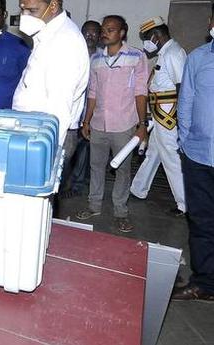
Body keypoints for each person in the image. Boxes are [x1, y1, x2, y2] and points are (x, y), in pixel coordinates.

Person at [77, 15, 149, 232]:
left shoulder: (136, 56)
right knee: (96, 167)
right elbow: (92, 92)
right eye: (103, 29)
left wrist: (142, 124)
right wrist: (86, 121)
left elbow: (140, 92)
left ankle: (120, 212)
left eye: (110, 29)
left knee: (123, 171)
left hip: (124, 124)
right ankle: (94, 205)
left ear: (122, 33)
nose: (104, 33)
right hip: (99, 123)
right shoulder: (96, 59)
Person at [171, 4, 214, 301]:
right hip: (199, 156)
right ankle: (206, 283)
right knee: (201, 222)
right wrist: (185, 142)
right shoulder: (198, 58)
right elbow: (185, 102)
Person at [130, 16, 187, 217]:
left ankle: (184, 204)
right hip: (160, 113)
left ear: (156, 36)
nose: (146, 42)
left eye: (146, 37)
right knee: (153, 152)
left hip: (168, 116)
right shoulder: (166, 53)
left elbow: (183, 87)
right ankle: (138, 189)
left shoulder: (173, 54)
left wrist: (181, 119)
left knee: (170, 158)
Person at [12, 0, 90, 145]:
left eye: (32, 10)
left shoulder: (63, 42)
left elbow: (59, 109)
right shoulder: (48, 33)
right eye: (22, 9)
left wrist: (48, 156)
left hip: (46, 137)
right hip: (35, 130)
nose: (24, 15)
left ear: (53, 6)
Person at [60, 20, 101, 198]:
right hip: (72, 109)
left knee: (84, 149)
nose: (89, 36)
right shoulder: (73, 54)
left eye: (94, 33)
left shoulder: (103, 58)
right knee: (67, 149)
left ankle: (76, 185)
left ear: (99, 36)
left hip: (93, 111)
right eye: (86, 32)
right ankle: (61, 183)